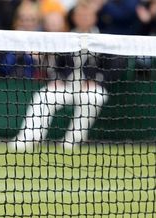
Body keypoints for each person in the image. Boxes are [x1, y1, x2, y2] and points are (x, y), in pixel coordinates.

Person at [11, 0, 120, 151]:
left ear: (94, 18)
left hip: (90, 87)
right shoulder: (66, 38)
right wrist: (56, 79)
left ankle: (72, 141)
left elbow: (113, 68)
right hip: (66, 86)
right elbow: (56, 66)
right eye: (80, 15)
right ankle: (28, 139)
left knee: (94, 96)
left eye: (87, 15)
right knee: (44, 95)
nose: (83, 18)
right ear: (74, 17)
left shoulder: (104, 41)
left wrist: (96, 81)